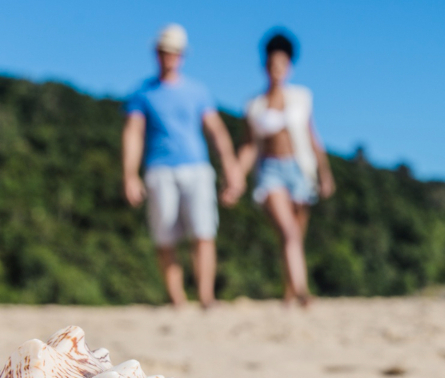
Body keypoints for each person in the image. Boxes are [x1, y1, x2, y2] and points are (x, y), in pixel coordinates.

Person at [123, 24, 244, 309]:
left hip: (197, 168)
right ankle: (177, 299)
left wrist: (231, 167)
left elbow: (216, 130)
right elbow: (133, 134)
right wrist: (130, 175)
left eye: (175, 52)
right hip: (159, 169)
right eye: (165, 51)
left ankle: (205, 297)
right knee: (164, 236)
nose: (170, 57)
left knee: (203, 232)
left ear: (182, 55)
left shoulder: (198, 91)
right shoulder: (142, 93)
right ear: (157, 53)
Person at [236, 30, 335, 307]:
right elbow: (248, 147)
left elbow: (312, 137)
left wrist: (325, 173)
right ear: (264, 67)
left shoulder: (302, 97)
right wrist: (236, 178)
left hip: (300, 170)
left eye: (281, 64)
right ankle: (302, 291)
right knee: (289, 230)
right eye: (272, 64)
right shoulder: (254, 105)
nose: (276, 70)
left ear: (289, 67)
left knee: (293, 236)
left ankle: (289, 291)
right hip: (270, 171)